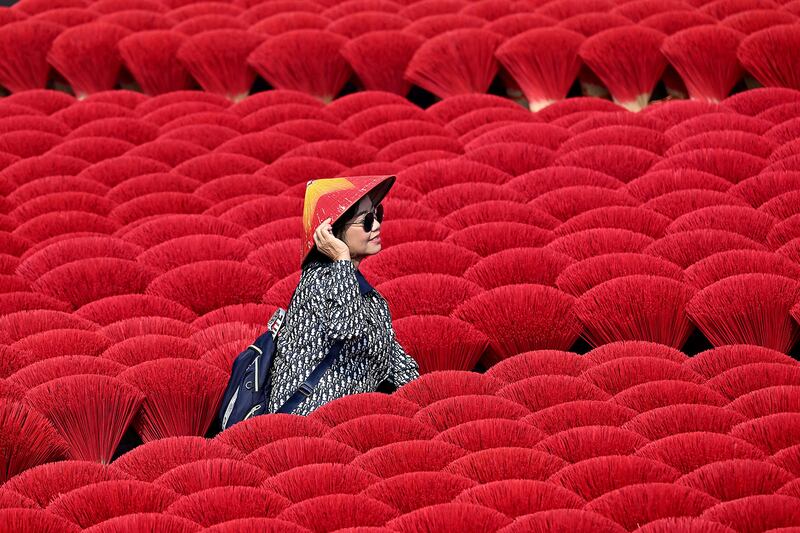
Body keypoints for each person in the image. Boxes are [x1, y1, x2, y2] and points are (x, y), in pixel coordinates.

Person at [266, 175, 420, 416]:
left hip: (350, 418)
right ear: (334, 233)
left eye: (378, 214)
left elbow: (391, 356)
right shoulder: (317, 281)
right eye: (366, 221)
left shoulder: (363, 292)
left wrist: (422, 402)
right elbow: (347, 327)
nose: (377, 225)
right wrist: (341, 257)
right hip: (307, 423)